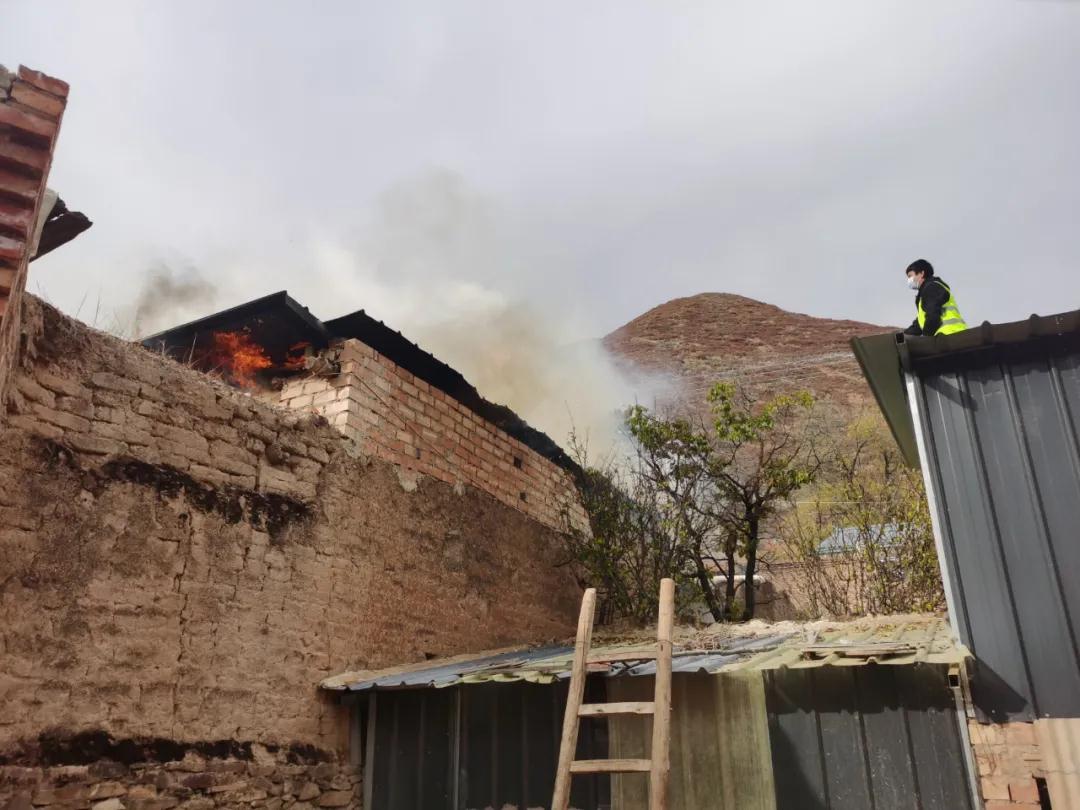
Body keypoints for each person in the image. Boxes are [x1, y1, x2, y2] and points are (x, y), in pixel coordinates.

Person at [903, 259, 967, 337]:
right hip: (951, 334)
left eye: (910, 276)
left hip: (949, 334)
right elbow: (919, 325)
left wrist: (926, 338)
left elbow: (932, 316)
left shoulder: (932, 288)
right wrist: (901, 336)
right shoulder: (926, 292)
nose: (909, 280)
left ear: (921, 273)